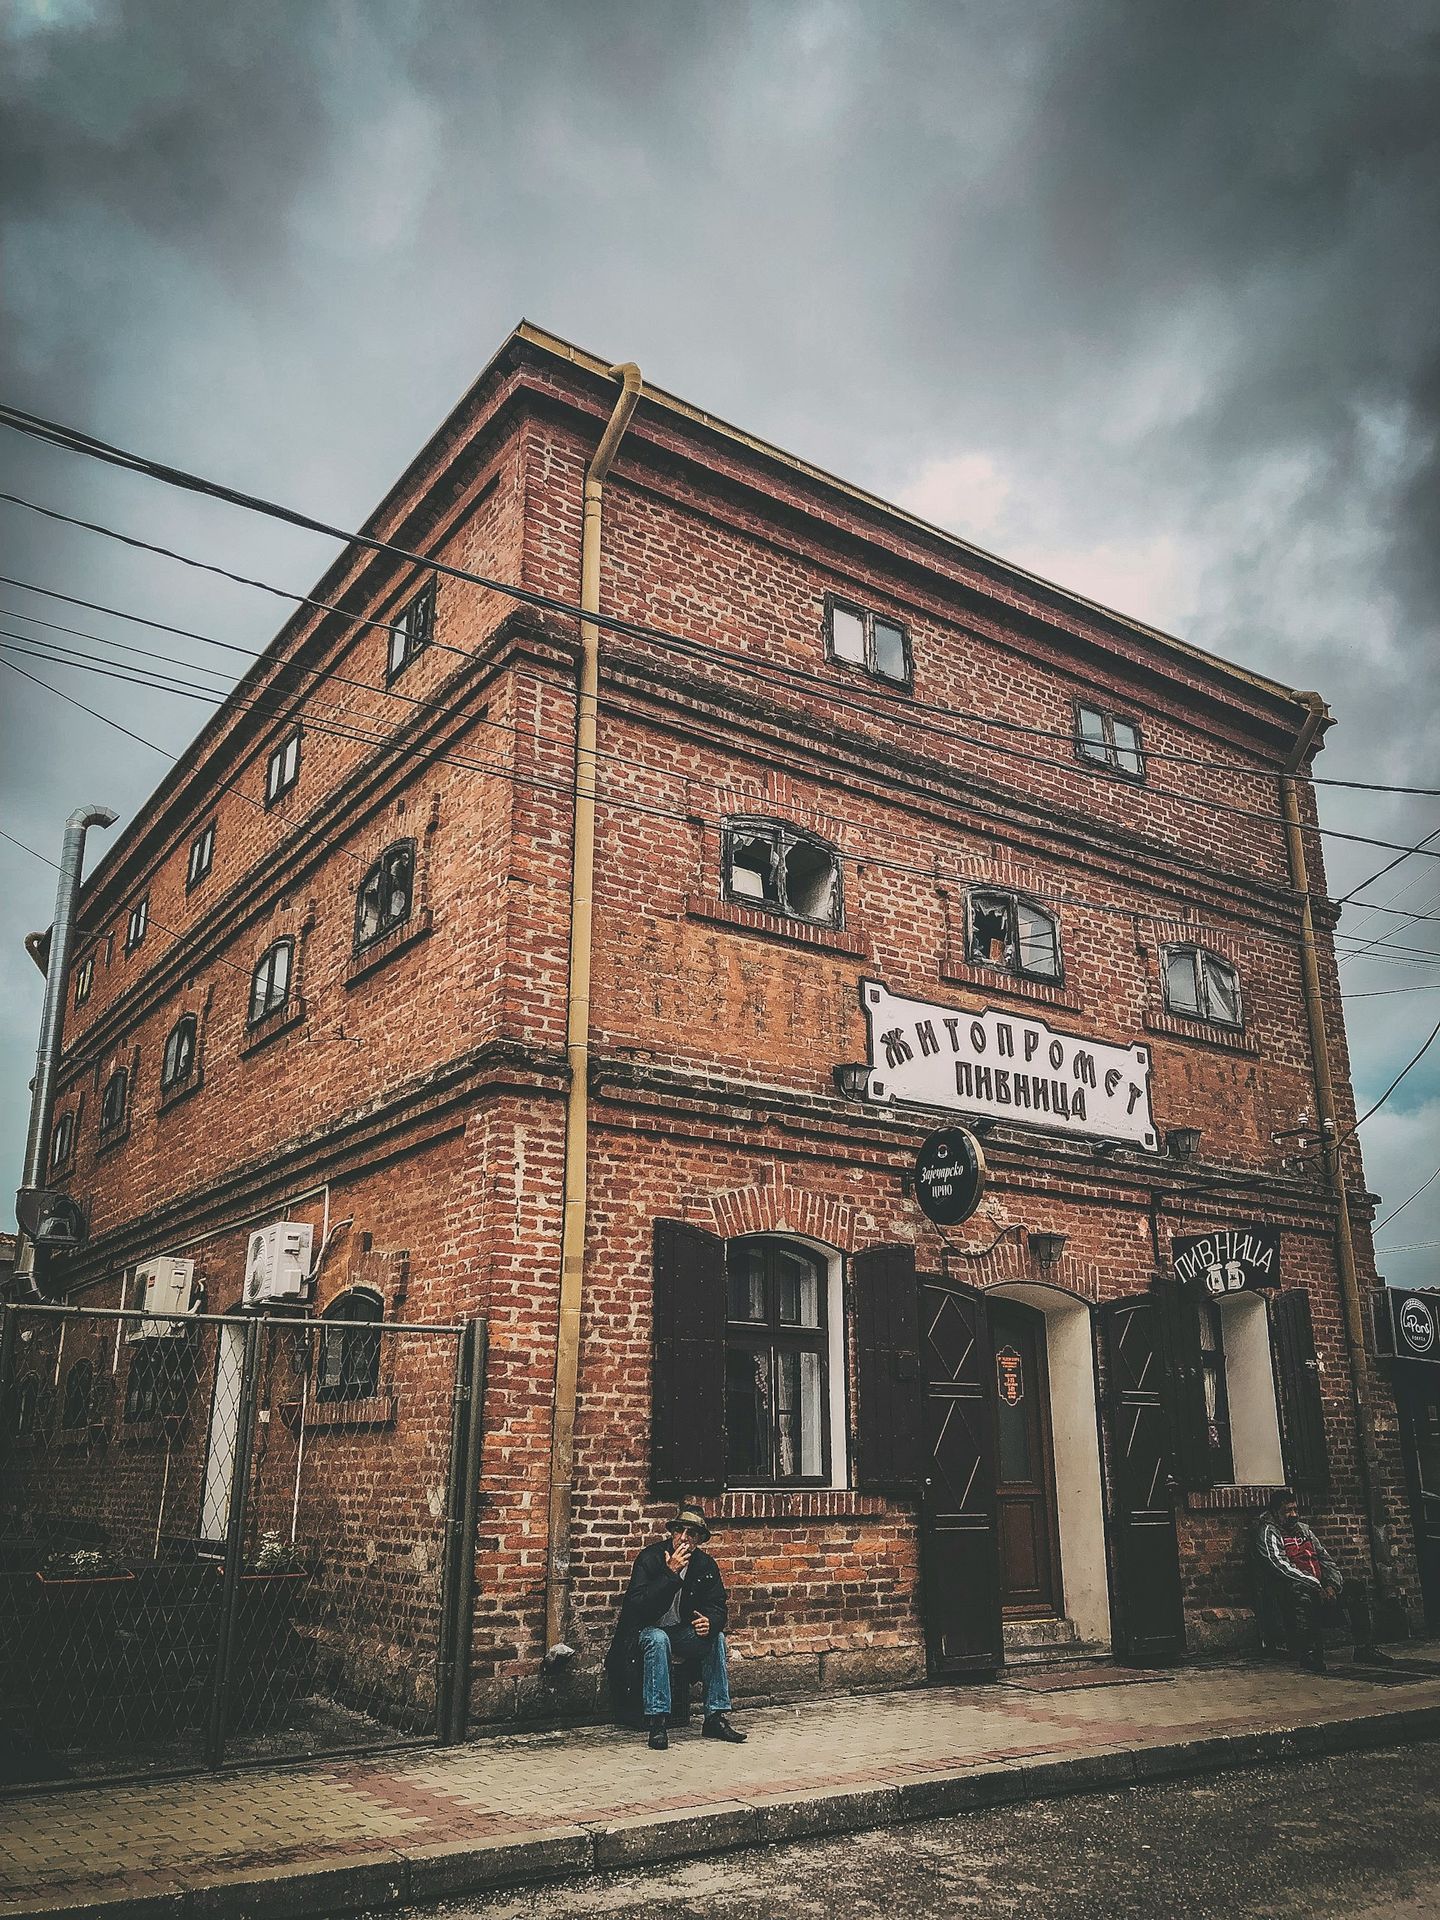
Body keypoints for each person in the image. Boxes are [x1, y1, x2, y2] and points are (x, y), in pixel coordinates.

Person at [605, 1503, 747, 1750]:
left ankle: (715, 1716)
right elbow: (636, 1606)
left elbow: (718, 1606)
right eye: (679, 1531)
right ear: (672, 1533)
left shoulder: (705, 1565)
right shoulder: (650, 1559)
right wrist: (670, 1574)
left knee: (717, 1639)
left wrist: (710, 1622)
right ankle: (658, 1722)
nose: (683, 1538)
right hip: (642, 1633)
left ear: (699, 1539)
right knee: (658, 1638)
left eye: (691, 1534)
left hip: (679, 1633)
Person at [1253, 1487, 1390, 1672]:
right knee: (1302, 1594)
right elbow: (1279, 1566)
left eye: (1295, 1509)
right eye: (1288, 1511)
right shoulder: (1269, 1532)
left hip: (1319, 1585)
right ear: (1276, 1513)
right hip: (1289, 1589)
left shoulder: (1304, 1531)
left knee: (1355, 1588)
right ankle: (1309, 1653)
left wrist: (1333, 1585)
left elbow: (1325, 1559)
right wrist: (1314, 1584)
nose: (1293, 1515)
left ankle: (1363, 1647)